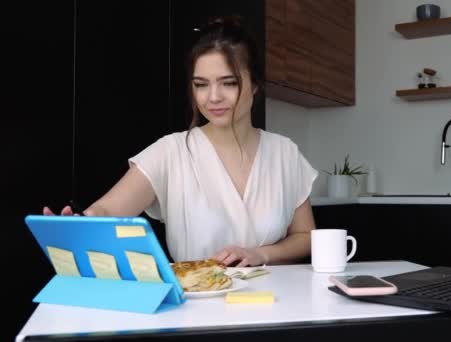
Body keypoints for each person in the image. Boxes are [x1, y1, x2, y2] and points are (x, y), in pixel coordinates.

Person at [43, 16, 318, 267]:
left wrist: (263, 254)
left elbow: (306, 236)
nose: (213, 97)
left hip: (277, 305)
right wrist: (79, 225)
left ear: (255, 84)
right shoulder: (170, 152)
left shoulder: (284, 153)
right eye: (201, 84)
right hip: (198, 306)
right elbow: (107, 209)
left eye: (228, 83)